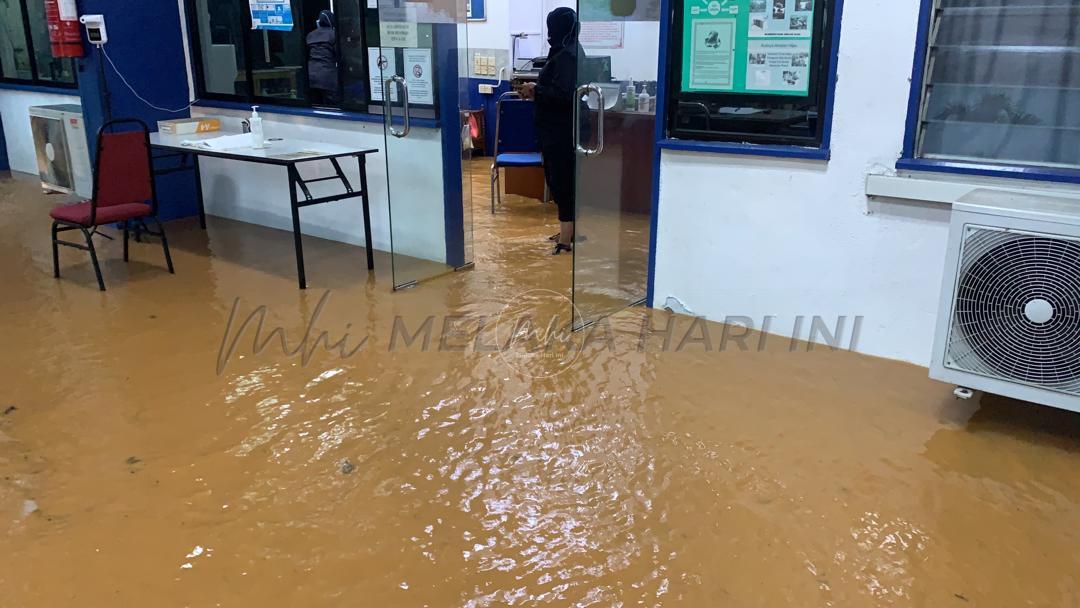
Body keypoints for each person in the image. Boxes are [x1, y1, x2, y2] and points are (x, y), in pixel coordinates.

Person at [521, 7, 585, 255]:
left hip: (561, 132)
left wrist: (535, 91)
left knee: (562, 182)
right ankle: (568, 230)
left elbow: (565, 95)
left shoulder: (567, 56)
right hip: (555, 130)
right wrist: (536, 89)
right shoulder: (563, 51)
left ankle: (566, 241)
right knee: (559, 182)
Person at [306, 10, 340, 106]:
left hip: (310, 76)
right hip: (327, 77)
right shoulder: (334, 34)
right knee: (333, 107)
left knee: (316, 106)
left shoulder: (310, 35)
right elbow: (339, 56)